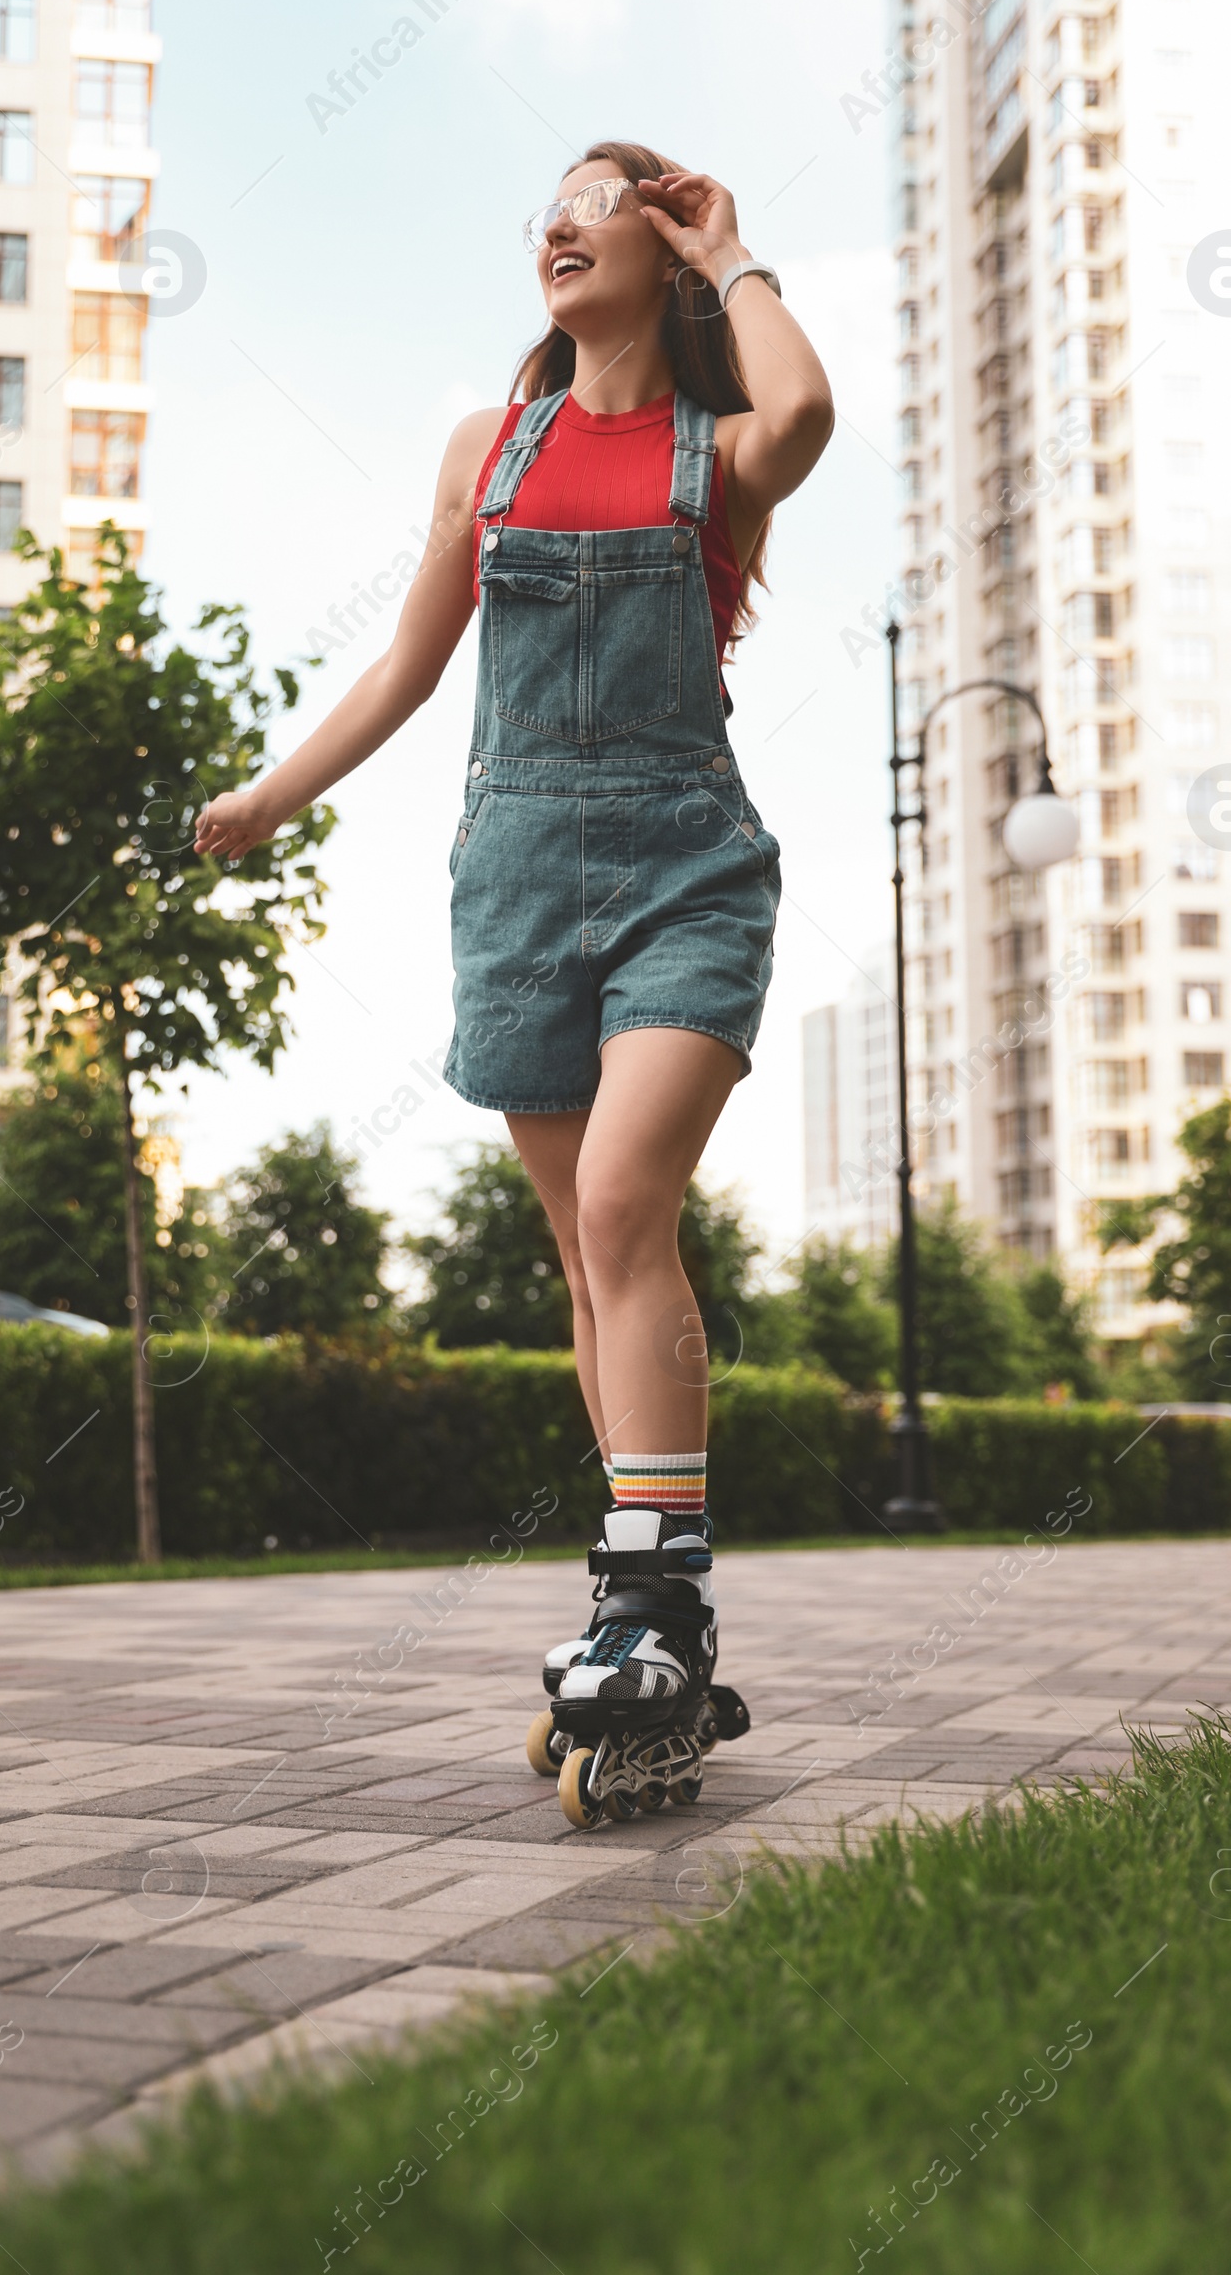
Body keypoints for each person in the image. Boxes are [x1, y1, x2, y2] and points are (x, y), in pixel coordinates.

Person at [196, 140, 834, 1822]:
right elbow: (413, 660)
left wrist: (737, 254)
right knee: (587, 1250)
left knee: (627, 1200)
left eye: (596, 198)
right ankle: (654, 1593)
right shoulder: (492, 447)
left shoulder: (721, 449)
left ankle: (650, 1606)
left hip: (688, 867)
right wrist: (274, 794)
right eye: (542, 206)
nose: (555, 223)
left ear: (663, 239)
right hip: (519, 882)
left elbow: (813, 413)